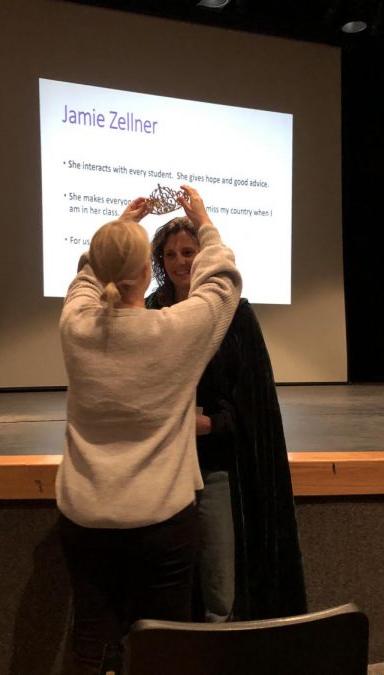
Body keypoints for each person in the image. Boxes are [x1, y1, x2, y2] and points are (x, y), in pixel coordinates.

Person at [56, 186, 242, 675]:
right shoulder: (175, 331)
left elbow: (84, 278)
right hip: (162, 522)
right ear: (148, 271)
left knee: (90, 640)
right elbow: (221, 283)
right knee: (163, 647)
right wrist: (202, 220)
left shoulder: (75, 326)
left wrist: (119, 227)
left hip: (86, 519)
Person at [146, 216, 307, 622]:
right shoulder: (149, 312)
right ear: (159, 261)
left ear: (204, 256)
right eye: (170, 254)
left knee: (221, 590)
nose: (180, 261)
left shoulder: (233, 315)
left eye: (189, 252)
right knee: (165, 589)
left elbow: (251, 399)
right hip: (161, 471)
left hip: (215, 467)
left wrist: (212, 424)